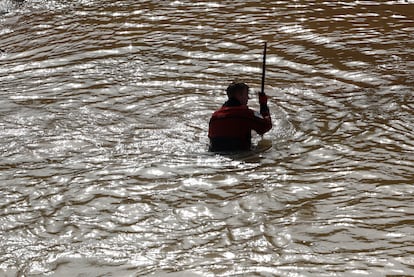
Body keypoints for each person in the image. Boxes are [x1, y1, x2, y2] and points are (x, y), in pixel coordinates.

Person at [208, 82, 272, 152]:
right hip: (240, 153)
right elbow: (266, 126)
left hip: (216, 152)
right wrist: (263, 105)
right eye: (246, 94)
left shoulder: (215, 116)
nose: (248, 97)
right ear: (239, 95)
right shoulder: (246, 113)